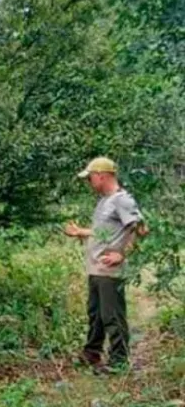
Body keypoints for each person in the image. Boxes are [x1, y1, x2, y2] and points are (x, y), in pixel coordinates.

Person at [64, 157, 145, 372]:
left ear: (101, 176)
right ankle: (92, 353)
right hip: (96, 268)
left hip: (110, 271)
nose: (89, 182)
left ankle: (119, 362)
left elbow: (141, 228)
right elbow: (105, 232)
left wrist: (122, 254)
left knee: (112, 316)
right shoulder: (104, 201)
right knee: (96, 314)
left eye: (90, 177)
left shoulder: (122, 200)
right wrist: (80, 232)